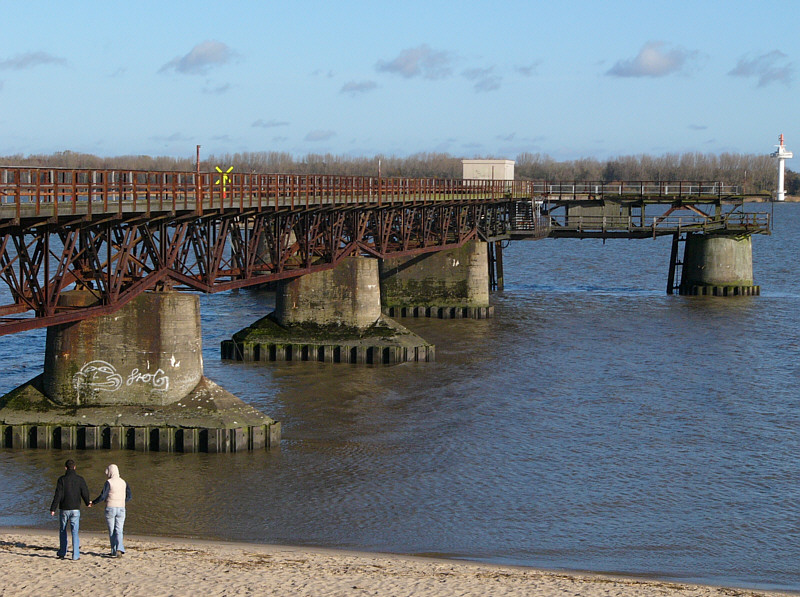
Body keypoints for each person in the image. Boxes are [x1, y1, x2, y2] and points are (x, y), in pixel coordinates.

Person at [49, 459, 90, 561]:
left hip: (64, 508)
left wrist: (53, 508)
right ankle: (75, 555)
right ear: (75, 467)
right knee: (75, 532)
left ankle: (62, 552)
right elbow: (84, 492)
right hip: (75, 508)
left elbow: (58, 495)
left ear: (65, 468)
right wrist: (87, 502)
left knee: (63, 530)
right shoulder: (80, 479)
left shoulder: (61, 480)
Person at [89, 464, 132, 558]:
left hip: (110, 508)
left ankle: (113, 551)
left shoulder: (108, 482)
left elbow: (103, 496)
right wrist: (122, 501)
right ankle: (119, 548)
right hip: (121, 508)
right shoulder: (124, 482)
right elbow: (129, 496)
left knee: (112, 530)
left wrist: (93, 503)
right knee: (119, 530)